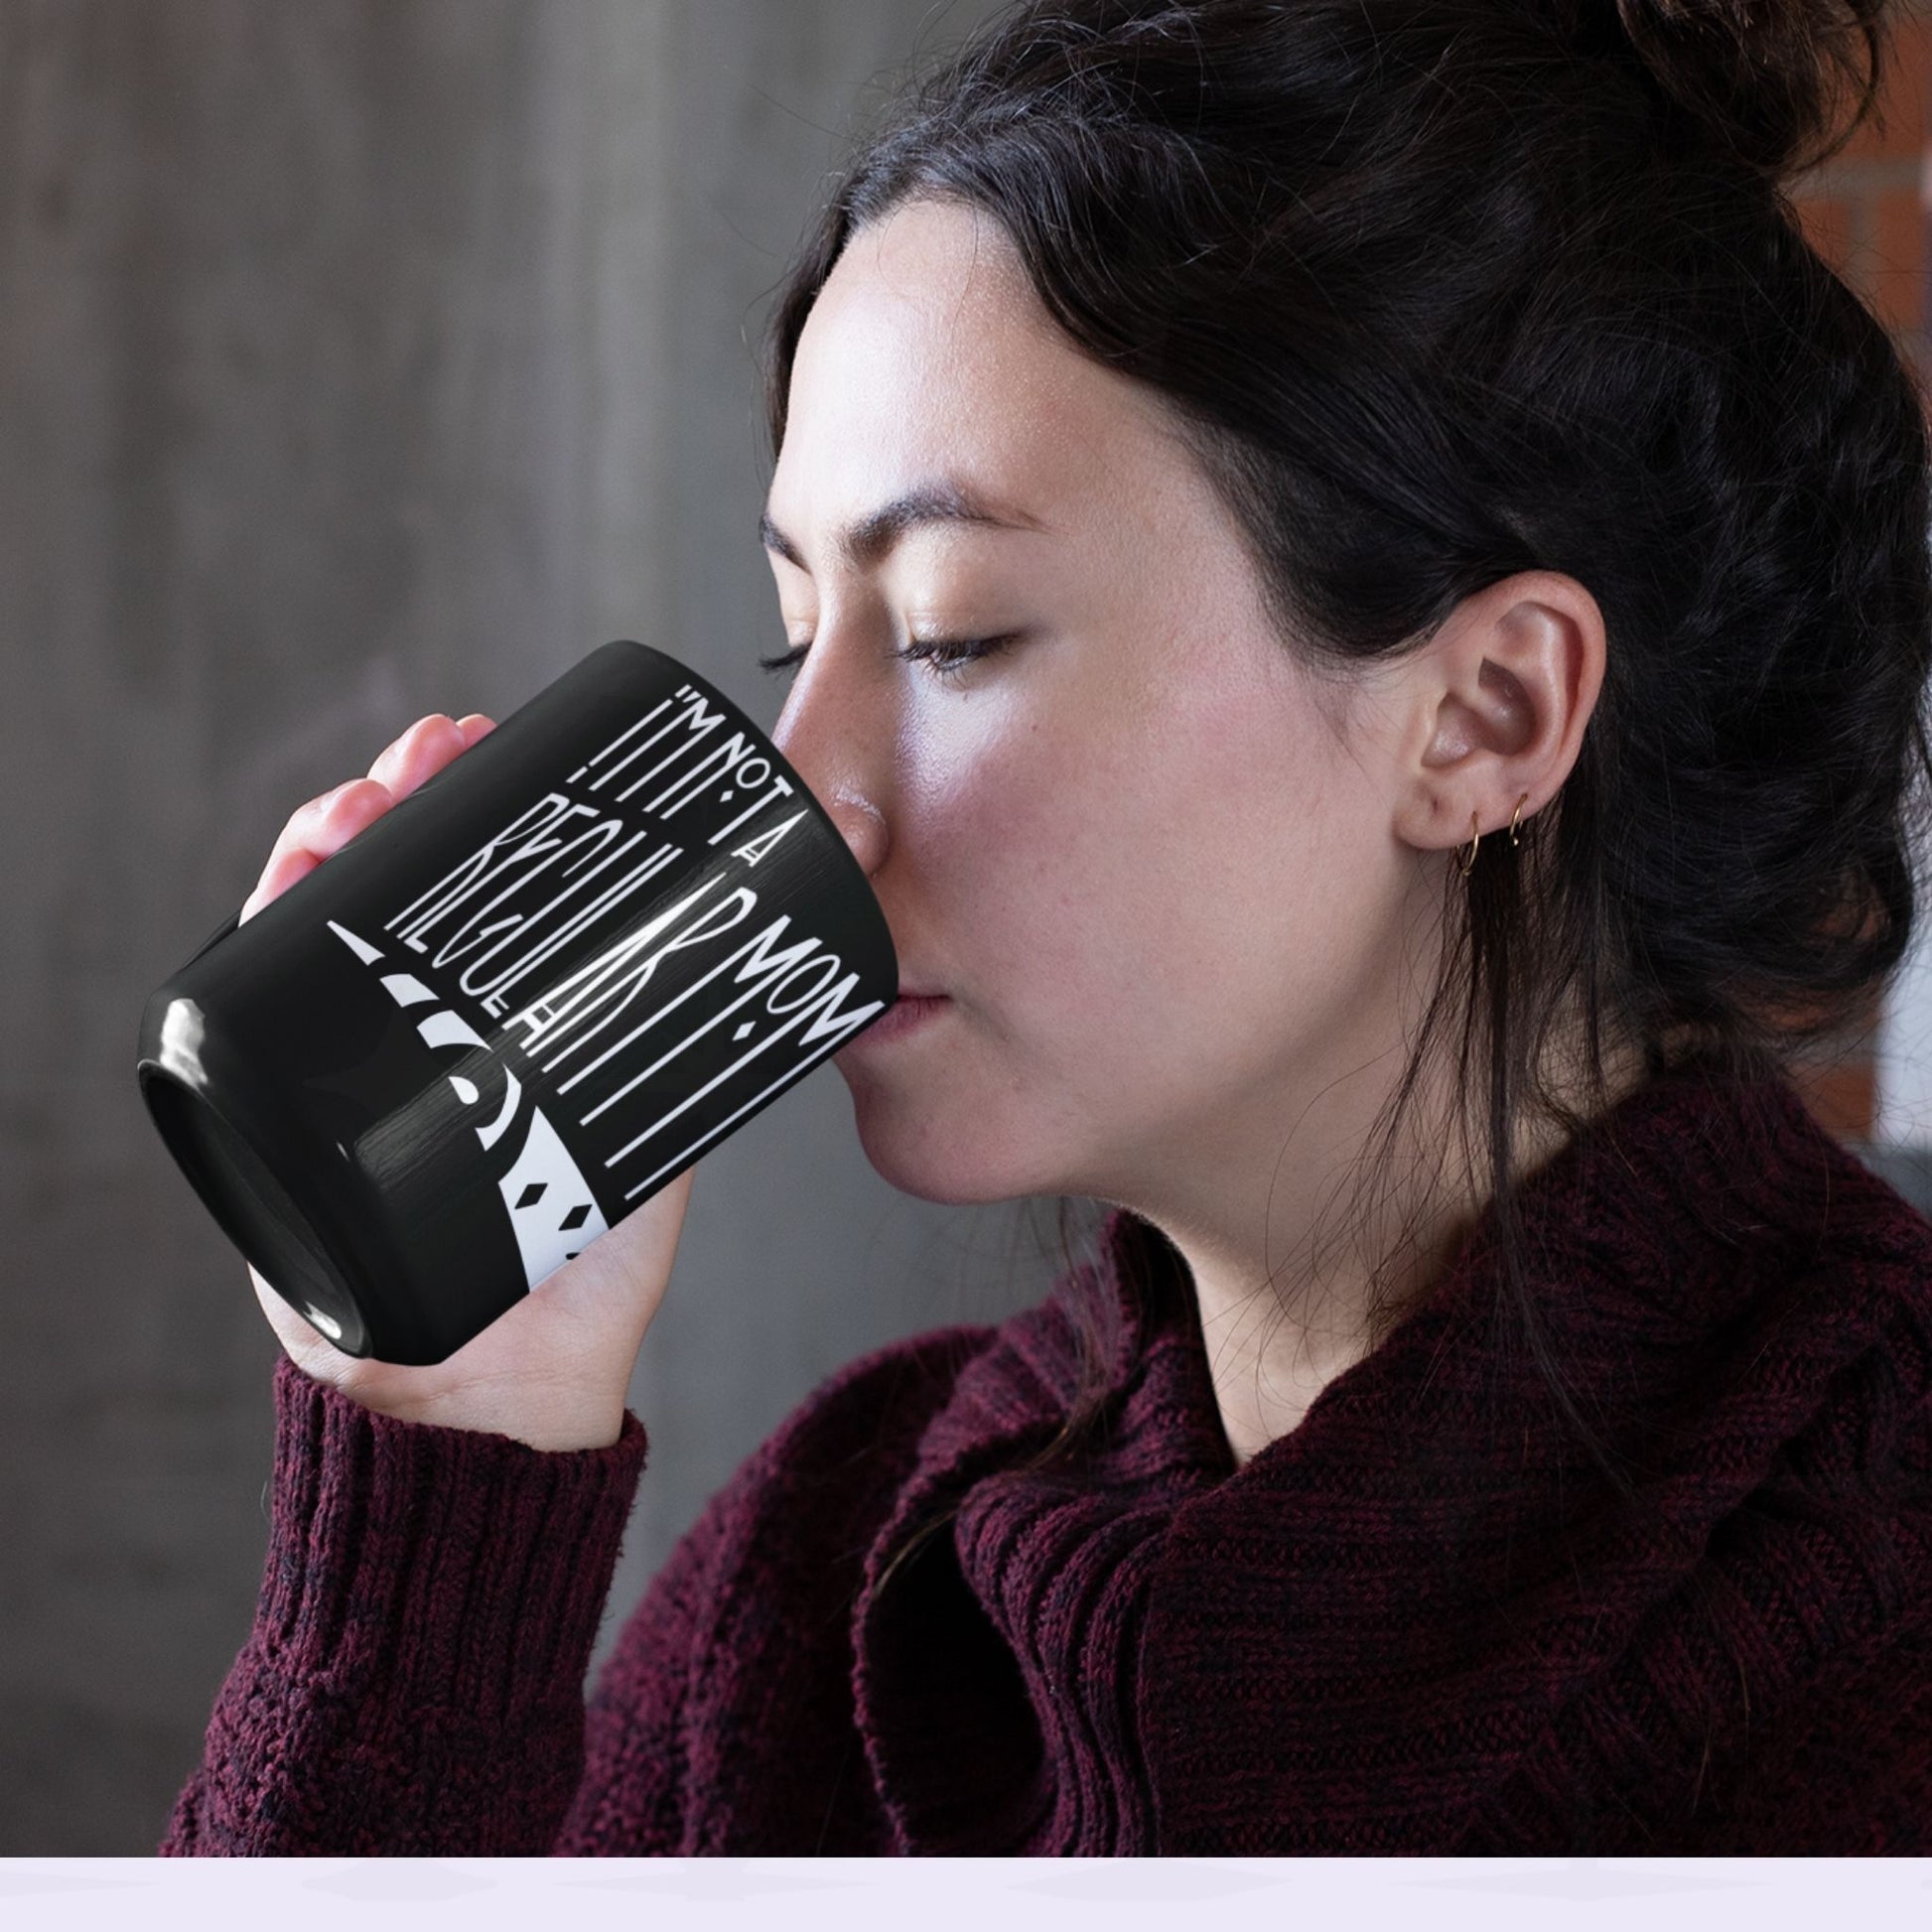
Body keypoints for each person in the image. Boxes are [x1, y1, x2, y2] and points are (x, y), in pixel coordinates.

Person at [162, 0, 1932, 1855]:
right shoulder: (835, 1570)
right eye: (793, 638)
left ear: (1484, 712)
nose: (806, 789)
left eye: (950, 635)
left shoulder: (1866, 1640)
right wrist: (443, 1454)